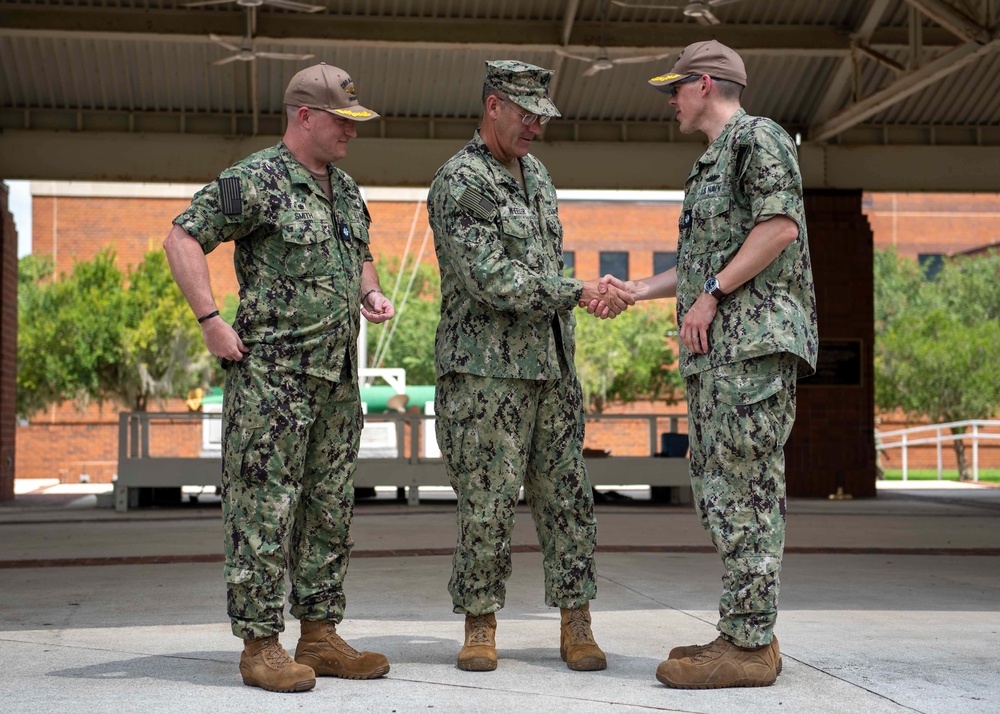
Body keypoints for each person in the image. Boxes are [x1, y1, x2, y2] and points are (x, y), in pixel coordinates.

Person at [587, 40, 818, 689]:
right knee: (721, 491)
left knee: (744, 491)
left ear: (706, 83)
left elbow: (779, 229)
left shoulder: (758, 138)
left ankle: (748, 645)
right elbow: (701, 267)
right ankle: (747, 632)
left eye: (676, 88)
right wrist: (639, 290)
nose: (671, 100)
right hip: (723, 355)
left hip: (750, 346)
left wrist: (713, 297)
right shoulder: (715, 160)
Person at [163, 63, 395, 693]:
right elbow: (183, 237)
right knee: (263, 508)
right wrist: (211, 320)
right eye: (341, 121)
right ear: (304, 116)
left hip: (336, 380)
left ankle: (318, 636)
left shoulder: (345, 189)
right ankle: (260, 643)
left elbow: (361, 253)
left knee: (329, 510)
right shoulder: (256, 179)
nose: (351, 132)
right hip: (273, 380)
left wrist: (370, 292)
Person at [427, 60, 633, 674]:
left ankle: (577, 622)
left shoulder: (537, 176)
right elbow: (491, 279)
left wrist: (575, 302)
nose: (536, 125)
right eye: (526, 112)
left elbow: (539, 270)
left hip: (551, 371)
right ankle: (480, 622)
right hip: (487, 376)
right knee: (487, 503)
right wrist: (577, 292)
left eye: (542, 115)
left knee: (569, 500)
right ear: (494, 105)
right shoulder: (461, 181)